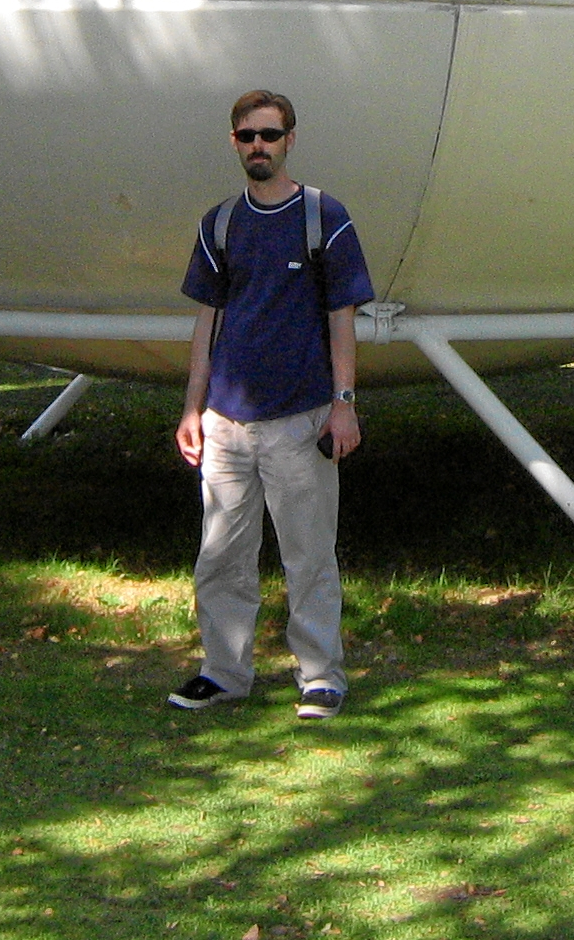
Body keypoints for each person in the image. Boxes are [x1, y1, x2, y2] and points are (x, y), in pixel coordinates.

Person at [169, 89, 372, 719]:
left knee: (308, 556)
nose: (259, 146)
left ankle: (321, 676)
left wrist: (343, 403)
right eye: (247, 136)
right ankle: (223, 672)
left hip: (300, 419)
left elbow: (342, 316)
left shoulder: (323, 217)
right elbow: (208, 321)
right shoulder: (219, 224)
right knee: (221, 556)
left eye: (270, 134)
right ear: (235, 142)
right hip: (226, 424)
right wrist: (192, 408)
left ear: (290, 140)